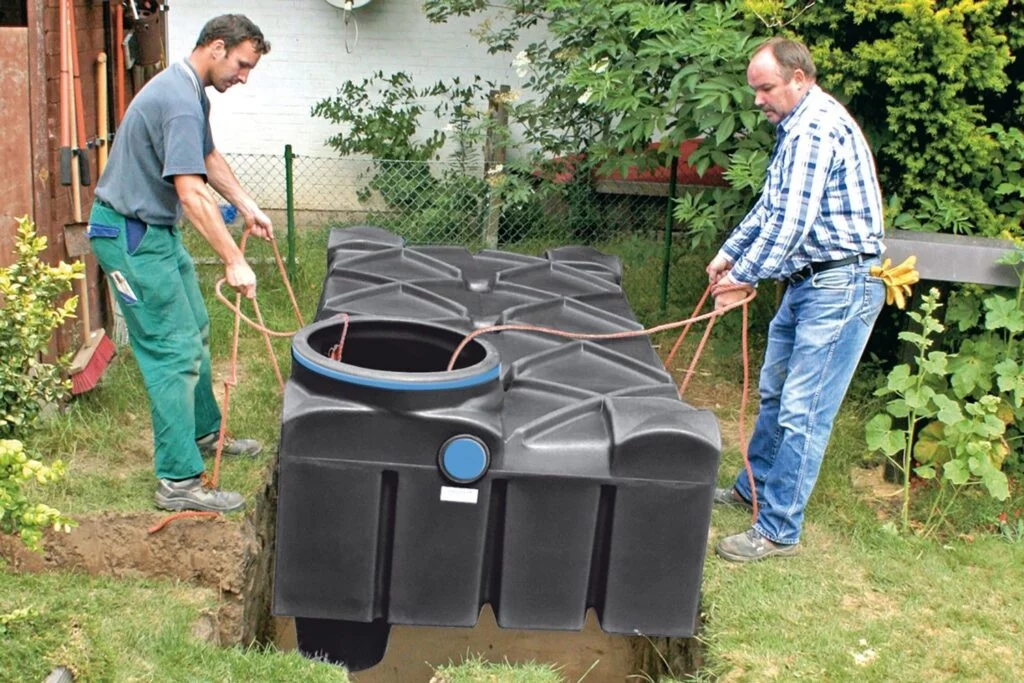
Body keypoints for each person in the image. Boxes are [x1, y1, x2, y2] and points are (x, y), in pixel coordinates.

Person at [706, 37, 886, 562]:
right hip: (810, 280)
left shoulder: (815, 127)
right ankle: (753, 490)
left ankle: (779, 529)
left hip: (841, 283)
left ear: (799, 79)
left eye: (765, 88)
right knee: (776, 393)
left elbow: (792, 224)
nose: (758, 99)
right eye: (755, 89)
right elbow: (771, 206)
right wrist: (729, 254)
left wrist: (747, 277)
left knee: (804, 409)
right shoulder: (795, 128)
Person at [87, 14, 273, 513]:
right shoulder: (177, 99)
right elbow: (191, 193)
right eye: (242, 64)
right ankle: (178, 481)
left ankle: (204, 433)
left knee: (194, 328)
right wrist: (233, 259)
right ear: (216, 47)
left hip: (156, 233)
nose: (244, 76)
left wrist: (248, 204)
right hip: (130, 237)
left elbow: (207, 159)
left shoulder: (190, 90)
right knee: (172, 353)